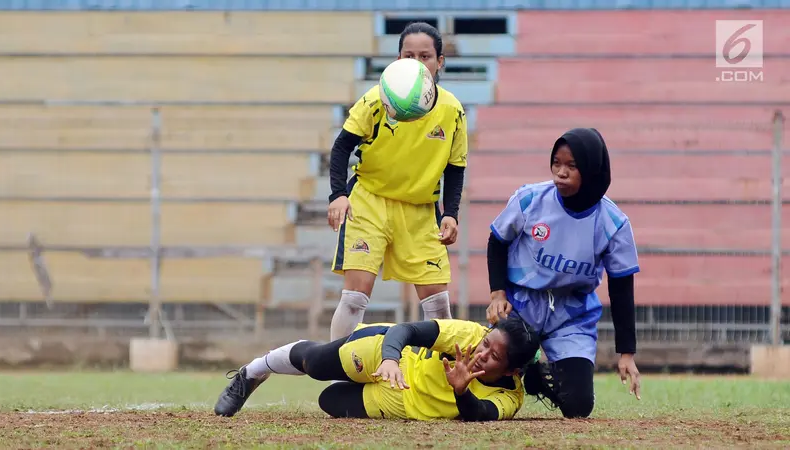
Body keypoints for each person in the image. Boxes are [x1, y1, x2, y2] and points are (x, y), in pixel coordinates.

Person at [485, 127, 642, 419]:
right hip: (521, 308)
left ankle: (536, 375)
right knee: (486, 374)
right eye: (556, 163)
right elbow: (497, 241)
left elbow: (621, 288)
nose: (561, 173)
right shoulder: (530, 199)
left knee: (579, 406)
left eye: (572, 166)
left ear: (593, 169)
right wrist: (498, 294)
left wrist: (627, 353)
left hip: (571, 314)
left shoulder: (613, 223)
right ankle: (518, 366)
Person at [326, 21, 468, 341]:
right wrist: (338, 194)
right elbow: (341, 148)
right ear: (397, 60)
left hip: (419, 212)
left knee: (438, 305)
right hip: (369, 202)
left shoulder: (452, 111)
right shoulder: (376, 100)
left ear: (439, 62)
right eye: (408, 56)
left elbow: (455, 167)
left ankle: (442, 380)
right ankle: (336, 375)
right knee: (354, 298)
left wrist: (450, 213)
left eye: (426, 57)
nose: (417, 64)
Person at [213, 317, 540, 422]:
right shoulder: (469, 333)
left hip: (402, 403)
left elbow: (479, 414)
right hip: (389, 355)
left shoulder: (510, 397)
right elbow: (406, 331)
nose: (482, 353)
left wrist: (461, 390)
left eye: (494, 355)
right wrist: (390, 359)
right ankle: (253, 372)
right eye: (486, 343)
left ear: (512, 371)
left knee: (329, 401)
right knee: (314, 364)